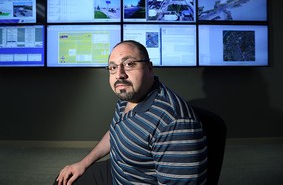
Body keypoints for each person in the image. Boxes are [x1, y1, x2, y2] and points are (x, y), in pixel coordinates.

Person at [54, 40, 208, 185]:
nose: (119, 74)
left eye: (129, 64)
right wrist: (83, 163)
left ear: (149, 68)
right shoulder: (128, 95)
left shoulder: (174, 123)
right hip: (116, 171)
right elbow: (116, 131)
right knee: (62, 181)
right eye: (113, 67)